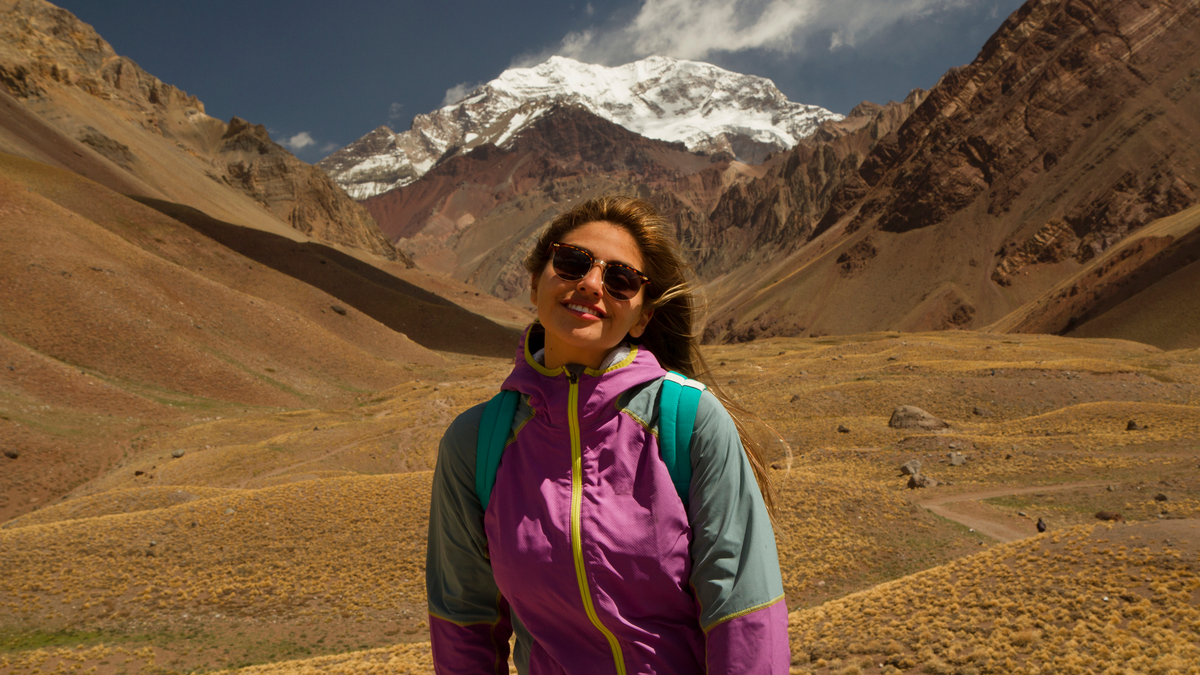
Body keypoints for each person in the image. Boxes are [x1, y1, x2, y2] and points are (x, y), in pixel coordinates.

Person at [425, 195, 789, 674]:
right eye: (573, 262)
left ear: (641, 316)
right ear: (535, 283)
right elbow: (462, 623)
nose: (592, 284)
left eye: (621, 279)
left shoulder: (689, 418)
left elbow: (744, 613)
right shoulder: (475, 443)